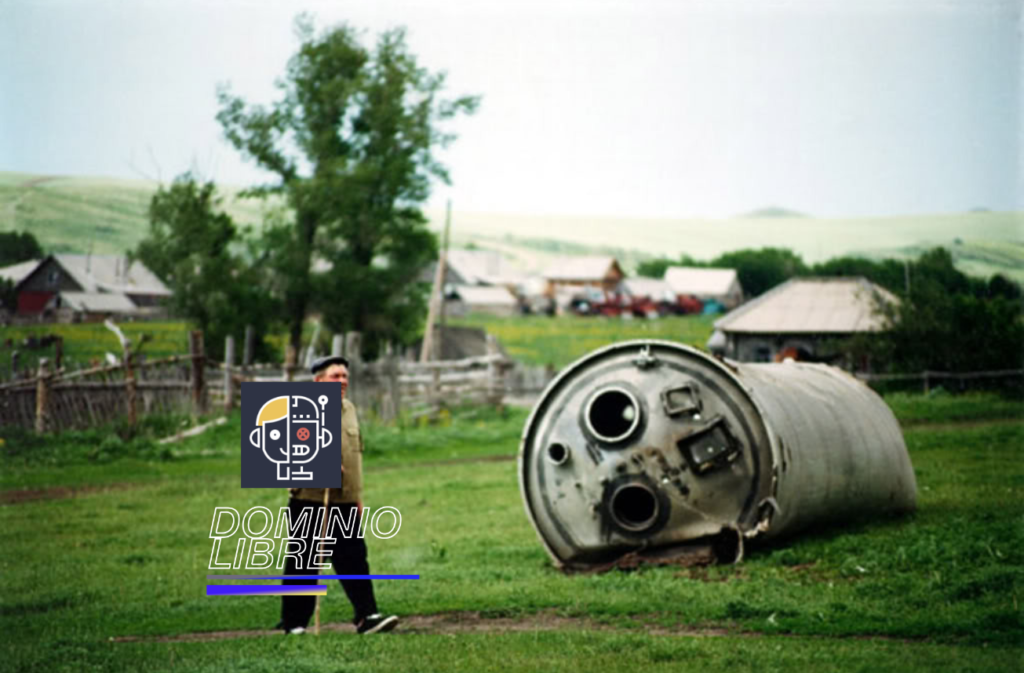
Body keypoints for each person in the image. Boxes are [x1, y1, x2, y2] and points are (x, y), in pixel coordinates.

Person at [276, 355, 399, 635]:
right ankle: (294, 623)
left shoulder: (349, 409)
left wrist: (357, 498)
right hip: (310, 498)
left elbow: (355, 458)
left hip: (344, 501)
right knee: (304, 560)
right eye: (335, 376)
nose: (342, 381)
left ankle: (367, 616)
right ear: (318, 381)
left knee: (355, 559)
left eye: (345, 376)